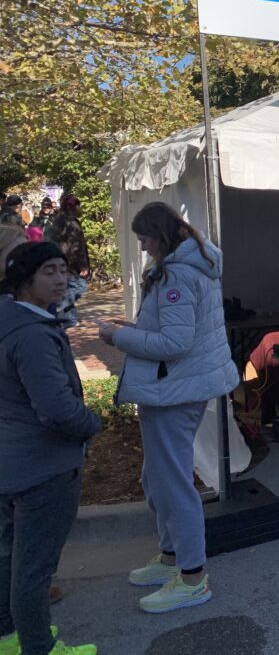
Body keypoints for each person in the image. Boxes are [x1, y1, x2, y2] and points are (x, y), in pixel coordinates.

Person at [98, 202, 238, 614]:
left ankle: (192, 578)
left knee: (173, 483)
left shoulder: (177, 273)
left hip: (174, 389)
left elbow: (175, 345)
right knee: (159, 477)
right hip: (177, 387)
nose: (141, 246)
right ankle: (172, 559)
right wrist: (133, 330)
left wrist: (116, 338)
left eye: (143, 238)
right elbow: (175, 332)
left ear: (160, 235)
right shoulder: (191, 264)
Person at [0, 242, 102, 655]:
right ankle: (38, 648)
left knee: (9, 558)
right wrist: (92, 425)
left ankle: (10, 638)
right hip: (42, 468)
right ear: (25, 281)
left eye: (63, 269)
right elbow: (57, 409)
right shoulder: (32, 335)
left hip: (11, 463)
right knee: (34, 570)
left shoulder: (11, 319)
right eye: (48, 272)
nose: (61, 279)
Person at [44, 196, 89, 279]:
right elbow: (77, 246)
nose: (80, 209)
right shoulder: (72, 224)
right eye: (78, 206)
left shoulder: (56, 220)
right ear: (72, 208)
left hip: (59, 264)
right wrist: (83, 266)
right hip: (72, 266)